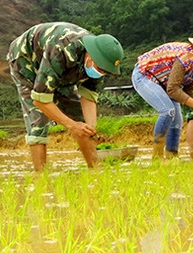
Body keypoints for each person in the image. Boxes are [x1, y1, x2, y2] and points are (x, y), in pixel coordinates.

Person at [7, 22, 124, 172]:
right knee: (38, 118)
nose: (101, 72)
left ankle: (95, 170)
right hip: (26, 58)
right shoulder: (63, 49)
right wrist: (72, 125)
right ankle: (40, 177)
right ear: (90, 56)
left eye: (105, 71)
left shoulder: (101, 63)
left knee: (80, 120)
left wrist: (90, 128)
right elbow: (40, 99)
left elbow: (88, 97)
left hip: (63, 68)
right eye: (100, 69)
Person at [133, 24, 193, 159]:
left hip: (166, 82)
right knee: (168, 112)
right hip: (146, 75)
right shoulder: (186, 57)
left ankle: (172, 157)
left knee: (177, 120)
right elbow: (173, 89)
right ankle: (157, 158)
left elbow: (189, 88)